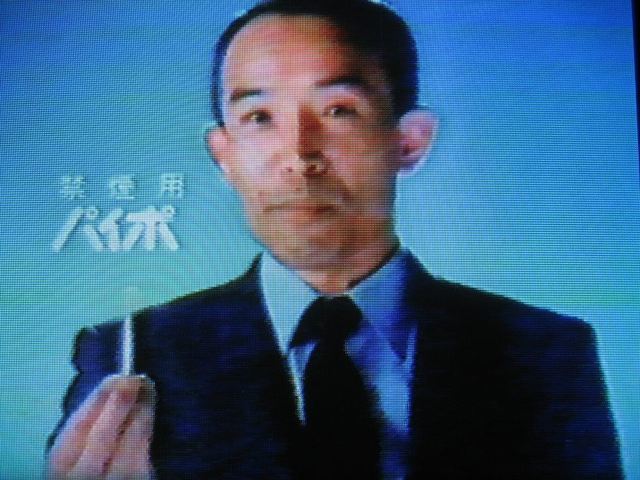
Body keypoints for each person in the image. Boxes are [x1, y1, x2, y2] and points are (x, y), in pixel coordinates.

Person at [47, 1, 623, 478]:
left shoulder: (545, 352)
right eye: (259, 118)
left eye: (338, 110)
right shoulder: (132, 355)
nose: (300, 155)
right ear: (224, 156)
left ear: (410, 141)